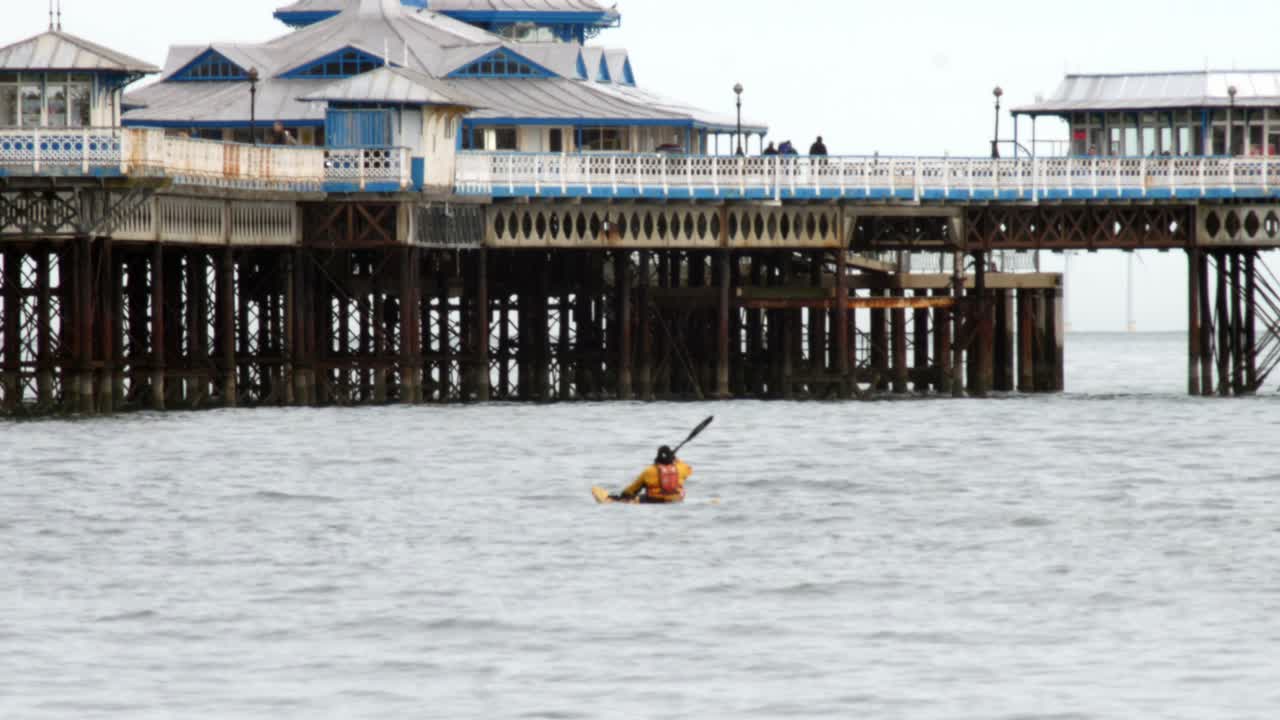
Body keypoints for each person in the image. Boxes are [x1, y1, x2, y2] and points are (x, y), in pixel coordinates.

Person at [617, 445, 693, 504]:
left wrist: (623, 495)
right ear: (671, 458)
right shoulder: (681, 468)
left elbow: (632, 489)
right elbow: (689, 469)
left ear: (658, 458)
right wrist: (675, 458)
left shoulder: (649, 471)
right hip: (675, 500)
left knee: (628, 498)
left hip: (654, 501)